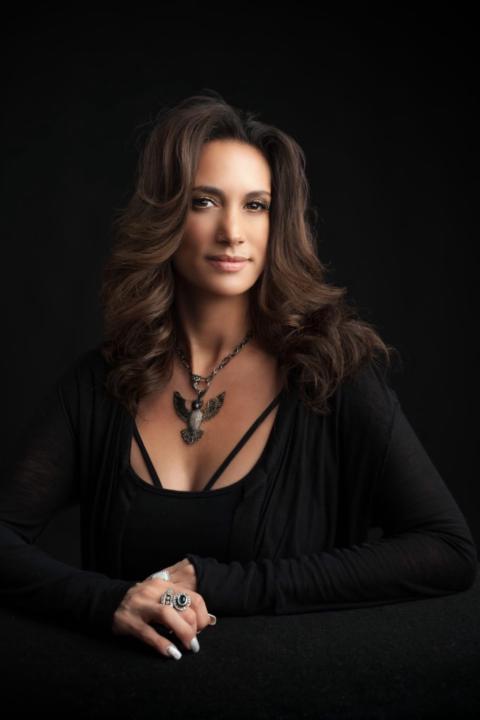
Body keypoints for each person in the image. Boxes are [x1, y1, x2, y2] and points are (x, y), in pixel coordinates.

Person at [0, 91, 477, 663]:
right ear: (166, 216)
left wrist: (218, 582)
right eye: (204, 201)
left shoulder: (330, 376)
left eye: (256, 205)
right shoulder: (101, 383)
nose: (232, 231)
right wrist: (108, 602)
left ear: (279, 222)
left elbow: (447, 551)